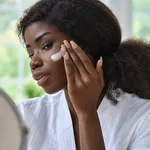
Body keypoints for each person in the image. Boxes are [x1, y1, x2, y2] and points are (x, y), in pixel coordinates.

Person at [17, 0, 150, 149]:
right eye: (30, 54)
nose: (33, 62)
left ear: (86, 45)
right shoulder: (23, 116)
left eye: (46, 46)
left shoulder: (143, 118)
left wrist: (87, 114)